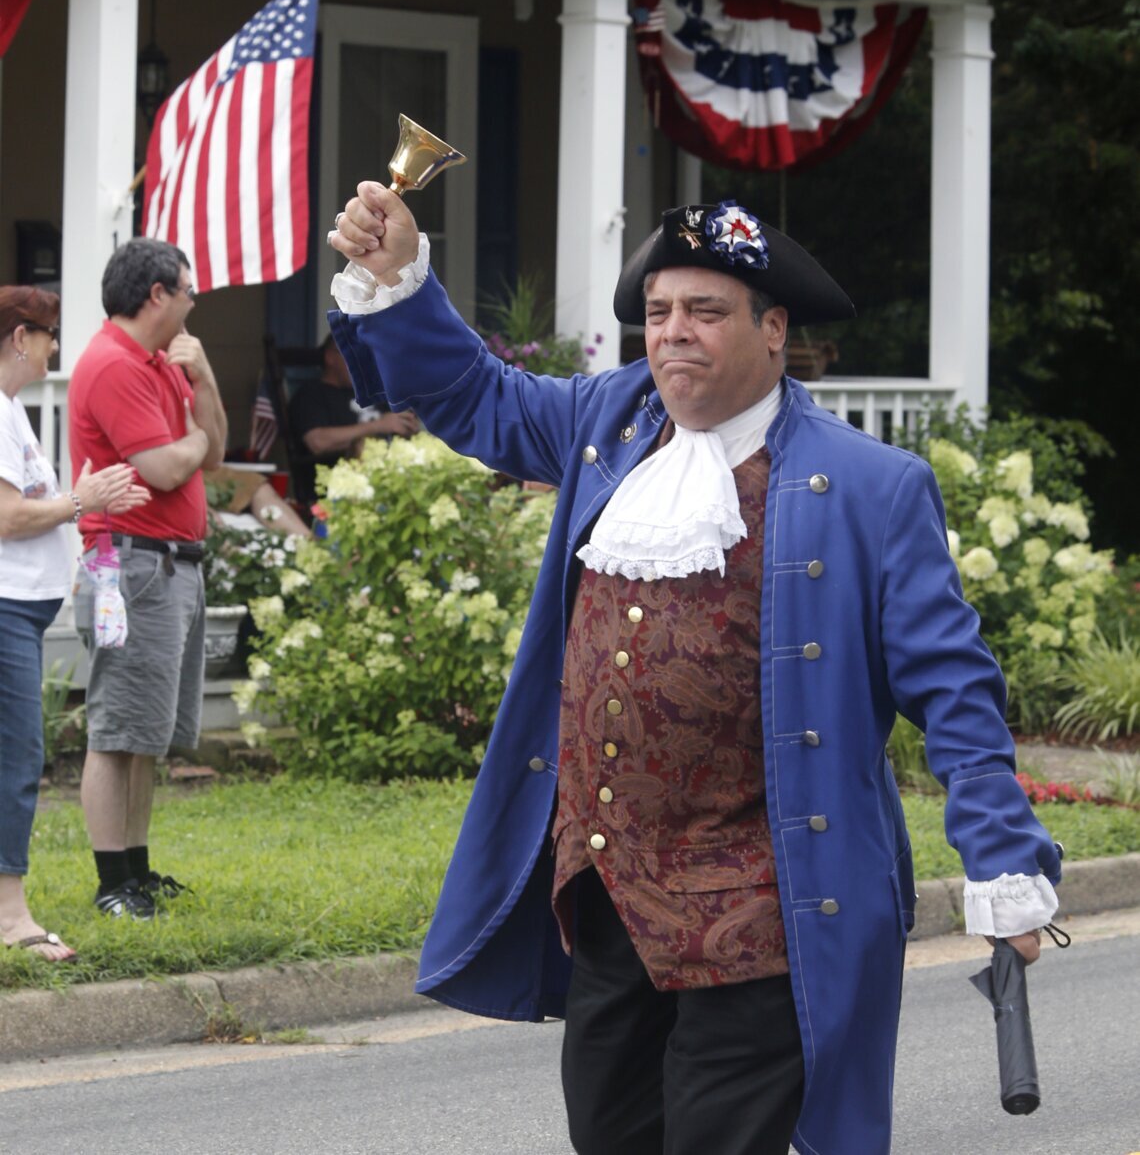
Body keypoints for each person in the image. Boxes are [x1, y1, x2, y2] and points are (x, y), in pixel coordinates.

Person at [326, 188, 1062, 1155]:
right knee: (609, 1136)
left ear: (773, 329)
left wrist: (1002, 855)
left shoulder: (872, 488)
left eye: (706, 312)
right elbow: (474, 394)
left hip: (765, 916)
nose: (674, 332)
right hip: (610, 905)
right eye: (660, 311)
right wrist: (399, 280)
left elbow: (956, 692)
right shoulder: (610, 420)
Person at [68, 238, 227, 921]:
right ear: (157, 293)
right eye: (189, 291)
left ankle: (136, 870)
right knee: (116, 731)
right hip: (131, 566)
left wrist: (206, 380)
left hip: (167, 567)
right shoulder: (112, 363)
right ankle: (112, 885)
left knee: (145, 735)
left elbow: (213, 451)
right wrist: (192, 442)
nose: (193, 304)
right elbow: (165, 468)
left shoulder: (162, 362)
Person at [0, 286, 149, 961]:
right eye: (47, 334)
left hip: (21, 609)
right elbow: (9, 516)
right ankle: (11, 917)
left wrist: (85, 500)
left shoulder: (13, 411)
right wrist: (80, 501)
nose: (54, 346)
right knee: (18, 757)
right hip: (6, 608)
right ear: (18, 338)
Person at [287, 332, 419, 502]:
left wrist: (408, 428)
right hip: (343, 486)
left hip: (397, 480)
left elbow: (401, 427)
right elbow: (317, 442)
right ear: (330, 357)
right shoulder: (311, 394)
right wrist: (378, 426)